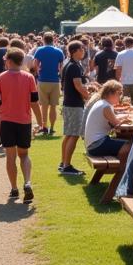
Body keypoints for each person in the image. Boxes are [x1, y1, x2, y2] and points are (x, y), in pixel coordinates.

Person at [0, 48, 38, 203]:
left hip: (7, 121)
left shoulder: (0, 77)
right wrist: (41, 121)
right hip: (24, 121)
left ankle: (14, 188)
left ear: (9, 61)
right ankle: (28, 182)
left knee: (10, 156)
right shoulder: (29, 77)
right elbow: (34, 102)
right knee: (24, 154)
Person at [59, 41, 90, 176]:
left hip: (69, 102)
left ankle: (63, 162)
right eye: (81, 49)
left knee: (69, 134)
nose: (83, 51)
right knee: (74, 134)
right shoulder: (74, 66)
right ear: (75, 51)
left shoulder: (70, 65)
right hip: (74, 104)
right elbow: (78, 85)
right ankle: (67, 166)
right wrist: (89, 96)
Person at [83, 81, 132, 162]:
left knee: (128, 143)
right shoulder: (106, 106)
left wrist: (123, 118)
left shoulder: (102, 103)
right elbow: (117, 125)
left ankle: (121, 168)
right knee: (130, 145)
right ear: (111, 93)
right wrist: (125, 120)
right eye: (119, 93)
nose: (120, 96)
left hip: (94, 144)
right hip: (96, 145)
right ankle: (121, 170)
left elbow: (113, 120)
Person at [32, 32, 65, 136]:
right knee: (53, 106)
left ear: (43, 39)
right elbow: (61, 66)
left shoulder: (39, 50)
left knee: (44, 106)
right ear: (53, 40)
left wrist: (38, 72)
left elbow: (35, 63)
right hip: (55, 80)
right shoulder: (59, 51)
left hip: (43, 80)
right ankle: (52, 127)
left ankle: (44, 126)